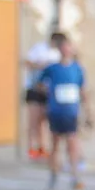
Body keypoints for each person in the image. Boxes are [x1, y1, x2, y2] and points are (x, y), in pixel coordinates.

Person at [35, 35, 86, 190]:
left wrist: (87, 110)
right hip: (56, 110)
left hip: (71, 111)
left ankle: (74, 176)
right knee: (56, 144)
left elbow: (82, 89)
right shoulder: (52, 68)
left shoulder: (77, 69)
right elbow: (39, 84)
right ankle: (54, 174)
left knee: (72, 144)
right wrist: (49, 92)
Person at [22, 32, 63, 161]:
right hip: (35, 88)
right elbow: (27, 62)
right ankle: (32, 148)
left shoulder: (57, 54)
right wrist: (42, 66)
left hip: (48, 90)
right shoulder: (39, 49)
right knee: (33, 120)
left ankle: (42, 147)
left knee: (44, 121)